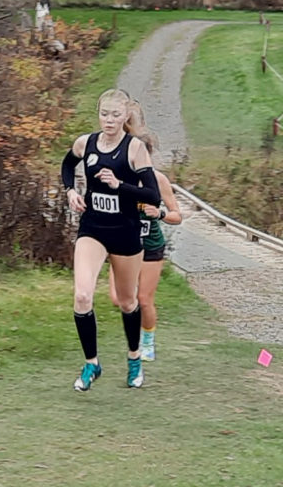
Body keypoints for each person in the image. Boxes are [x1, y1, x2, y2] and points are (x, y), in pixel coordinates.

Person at [61, 88, 160, 391]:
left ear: (125, 115)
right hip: (93, 228)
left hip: (126, 232)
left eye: (115, 115)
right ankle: (92, 364)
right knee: (81, 296)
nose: (109, 120)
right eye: (104, 114)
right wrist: (71, 191)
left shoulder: (134, 149)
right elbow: (67, 166)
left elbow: (152, 195)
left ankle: (134, 359)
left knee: (128, 302)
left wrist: (119, 185)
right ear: (98, 114)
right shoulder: (86, 143)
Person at [109, 133, 182, 362]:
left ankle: (147, 341)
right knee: (117, 298)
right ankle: (136, 334)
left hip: (150, 246)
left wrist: (160, 213)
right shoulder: (117, 178)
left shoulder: (158, 180)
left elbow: (177, 215)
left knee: (143, 298)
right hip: (122, 244)